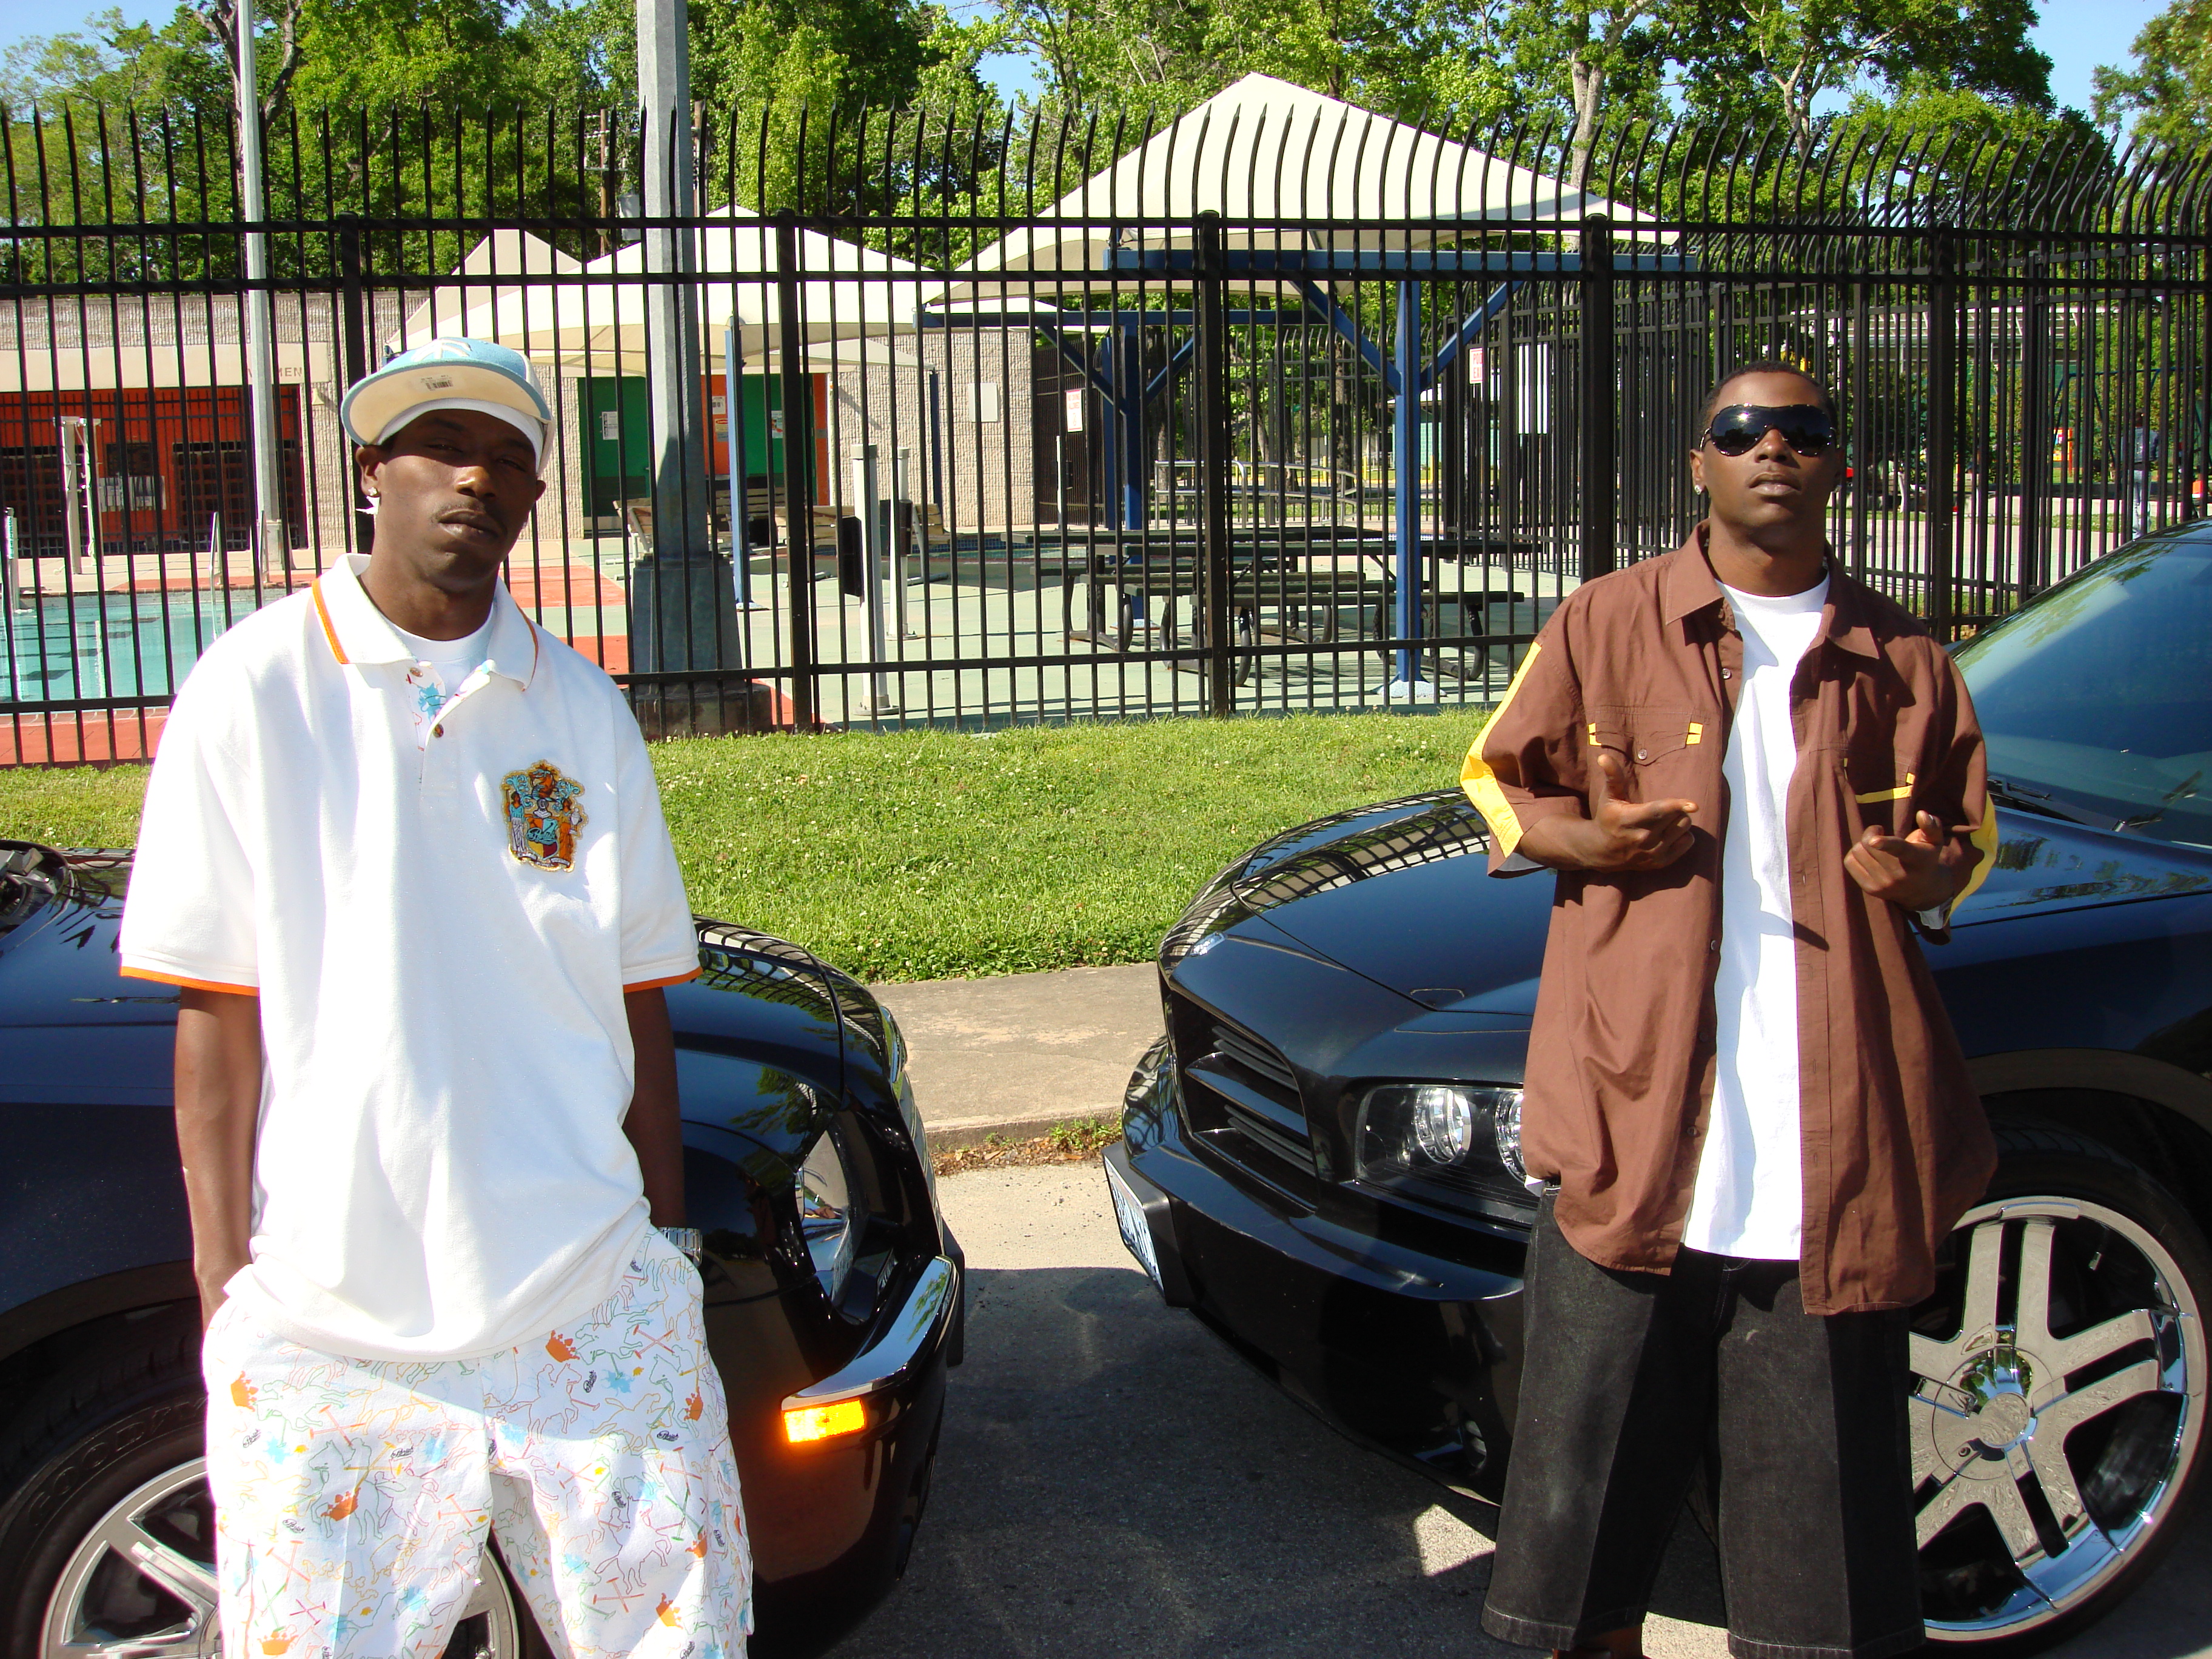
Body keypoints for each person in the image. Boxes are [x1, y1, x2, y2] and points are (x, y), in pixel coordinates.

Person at [119, 336, 750, 1658]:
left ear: (534, 497)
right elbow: (216, 1012)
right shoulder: (253, 687)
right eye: (442, 447)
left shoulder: (581, 711)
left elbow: (637, 995)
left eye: (508, 459)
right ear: (371, 472)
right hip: (333, 1327)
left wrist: (666, 1248)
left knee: (682, 1642)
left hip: (587, 1296)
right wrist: (225, 1284)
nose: (476, 479)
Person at [1463, 364, 1998, 1659]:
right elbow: (1495, 781)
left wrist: (1928, 876)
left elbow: (1969, 837)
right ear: (1698, 462)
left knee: (1824, 1578)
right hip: (1636, 1137)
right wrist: (1586, 840)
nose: (1774, 450)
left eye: (1803, 433)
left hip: (1831, 1167)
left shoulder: (1907, 660)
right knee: (1578, 1557)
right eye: (1742, 431)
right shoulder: (1606, 622)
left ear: (1838, 466)